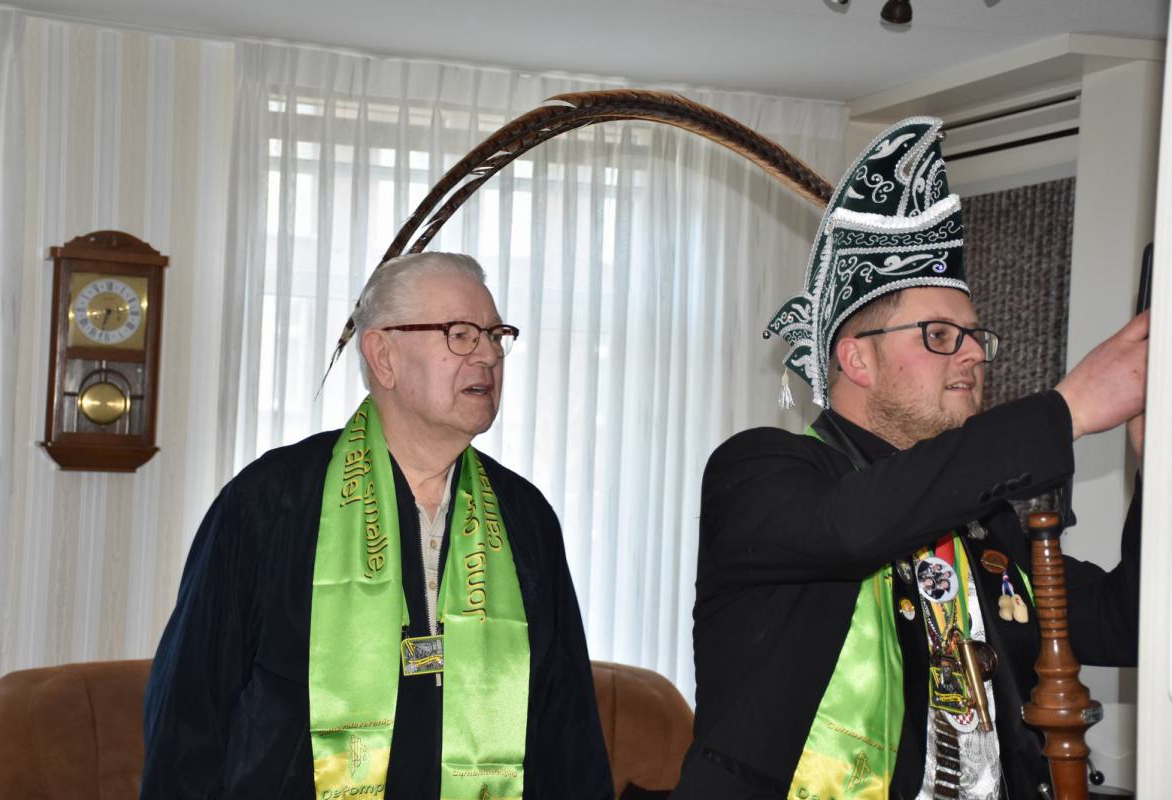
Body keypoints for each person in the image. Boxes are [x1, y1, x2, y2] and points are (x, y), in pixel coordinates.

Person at [672, 117, 1147, 800]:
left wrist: (1158, 470)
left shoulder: (985, 523)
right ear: (856, 359)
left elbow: (1126, 626)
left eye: (975, 336)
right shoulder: (758, 472)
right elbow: (851, 528)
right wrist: (1066, 410)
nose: (974, 353)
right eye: (940, 335)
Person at [142, 252, 612, 799]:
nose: (487, 354)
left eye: (494, 334)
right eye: (460, 334)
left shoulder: (523, 516)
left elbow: (567, 732)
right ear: (383, 356)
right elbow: (189, 715)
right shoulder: (273, 501)